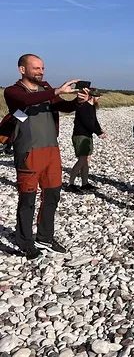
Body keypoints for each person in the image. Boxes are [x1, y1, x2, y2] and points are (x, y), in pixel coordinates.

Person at [3, 53, 89, 260]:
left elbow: (62, 106)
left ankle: (45, 238)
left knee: (52, 195)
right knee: (28, 199)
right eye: (36, 68)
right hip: (29, 151)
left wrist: (78, 102)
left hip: (52, 150)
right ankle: (24, 242)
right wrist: (56, 90)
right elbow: (27, 100)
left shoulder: (46, 90)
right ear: (22, 70)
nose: (41, 72)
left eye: (42, 68)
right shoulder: (14, 91)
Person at [66, 89, 107, 193]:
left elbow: (94, 121)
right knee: (82, 160)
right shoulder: (83, 107)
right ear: (92, 96)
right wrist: (98, 133)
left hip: (87, 136)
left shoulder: (92, 107)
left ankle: (85, 183)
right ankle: (70, 184)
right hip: (80, 136)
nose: (99, 98)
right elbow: (87, 123)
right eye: (98, 96)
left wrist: (100, 129)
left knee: (86, 160)